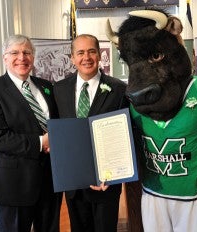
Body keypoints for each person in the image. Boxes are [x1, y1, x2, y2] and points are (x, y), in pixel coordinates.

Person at [0, 34, 62, 232]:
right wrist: (42, 142)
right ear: (4, 58)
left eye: (26, 52)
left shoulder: (47, 86)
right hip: (14, 184)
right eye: (14, 52)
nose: (21, 57)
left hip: (50, 180)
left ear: (33, 56)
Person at [53, 34, 128, 232]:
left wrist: (111, 176)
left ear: (100, 55)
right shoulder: (59, 90)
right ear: (72, 58)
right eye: (80, 52)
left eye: (92, 51)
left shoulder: (119, 89)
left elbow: (124, 136)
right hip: (73, 183)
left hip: (105, 182)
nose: (86, 57)